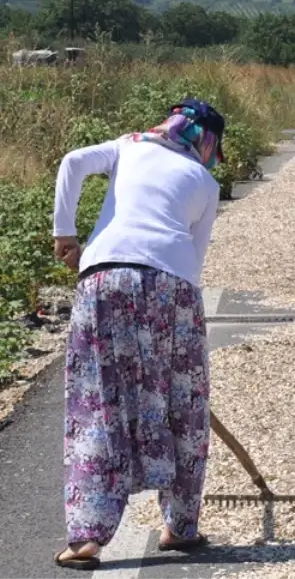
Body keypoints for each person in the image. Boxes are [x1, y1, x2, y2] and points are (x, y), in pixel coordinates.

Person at [49, 98, 226, 571]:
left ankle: (87, 538)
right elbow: (195, 255)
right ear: (207, 144)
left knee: (99, 402)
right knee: (184, 403)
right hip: (174, 287)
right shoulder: (206, 182)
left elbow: (72, 163)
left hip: (104, 277)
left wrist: (66, 235)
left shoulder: (128, 147)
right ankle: (181, 526)